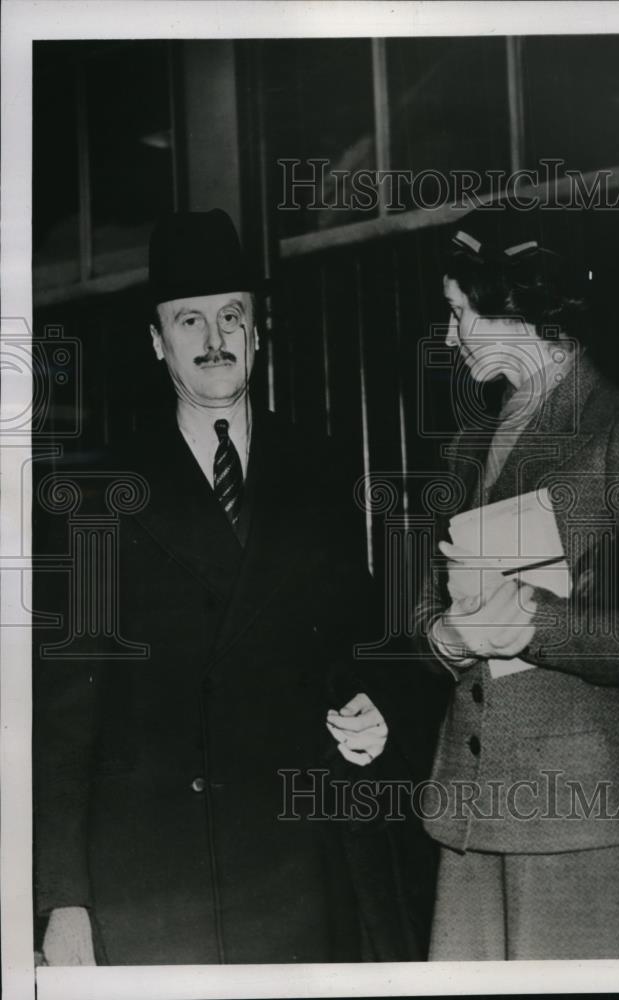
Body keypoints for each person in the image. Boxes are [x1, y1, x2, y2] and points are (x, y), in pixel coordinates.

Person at [33, 209, 394, 965]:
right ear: (157, 342)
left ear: (259, 333)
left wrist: (376, 709)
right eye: (188, 320)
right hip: (153, 880)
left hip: (295, 869)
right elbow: (63, 709)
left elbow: (361, 641)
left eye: (232, 315)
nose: (214, 338)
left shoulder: (318, 468)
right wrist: (64, 898)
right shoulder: (102, 488)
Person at [412, 209, 619, 960]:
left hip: (585, 825)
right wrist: (442, 635)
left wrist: (538, 625)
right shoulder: (466, 444)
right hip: (468, 823)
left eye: (457, 312)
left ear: (509, 305)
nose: (449, 338)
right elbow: (425, 599)